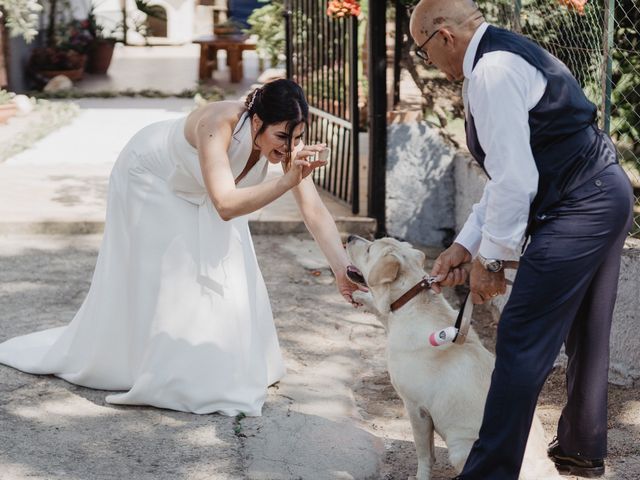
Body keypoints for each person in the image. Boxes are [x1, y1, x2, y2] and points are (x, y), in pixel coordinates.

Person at [0, 79, 363, 416]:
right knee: (174, 272)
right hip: (150, 176)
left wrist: (342, 269)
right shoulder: (217, 122)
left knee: (231, 264)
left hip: (202, 188)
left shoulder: (284, 137)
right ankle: (151, 365)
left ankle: (218, 360)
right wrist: (286, 180)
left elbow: (312, 208)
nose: (288, 147)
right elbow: (224, 204)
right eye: (282, 137)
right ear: (256, 123)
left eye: (296, 137)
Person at [409, 0, 633, 478]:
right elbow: (506, 176)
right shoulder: (502, 56)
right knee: (587, 329)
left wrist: (490, 261)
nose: (429, 62)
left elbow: (515, 180)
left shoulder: (492, 71)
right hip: (604, 190)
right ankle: (581, 448)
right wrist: (466, 245)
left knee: (520, 337)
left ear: (444, 35)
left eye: (424, 50)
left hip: (581, 203)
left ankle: (489, 471)